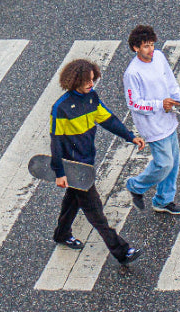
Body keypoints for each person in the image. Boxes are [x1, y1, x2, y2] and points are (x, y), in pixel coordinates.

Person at [50, 58, 146, 266]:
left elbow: (108, 120)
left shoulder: (92, 98)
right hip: (74, 167)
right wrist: (59, 172)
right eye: (86, 81)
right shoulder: (61, 108)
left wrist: (130, 136)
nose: (91, 84)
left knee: (72, 201)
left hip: (87, 161)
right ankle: (122, 251)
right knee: (95, 211)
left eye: (92, 79)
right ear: (74, 80)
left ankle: (61, 234)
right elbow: (55, 142)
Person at [123, 24, 180, 215]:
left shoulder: (160, 57)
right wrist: (159, 105)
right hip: (152, 126)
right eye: (146, 46)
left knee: (173, 165)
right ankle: (135, 186)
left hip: (169, 120)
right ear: (135, 48)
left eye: (152, 44)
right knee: (164, 164)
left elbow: (171, 84)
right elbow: (134, 104)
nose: (151, 49)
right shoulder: (132, 73)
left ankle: (163, 201)